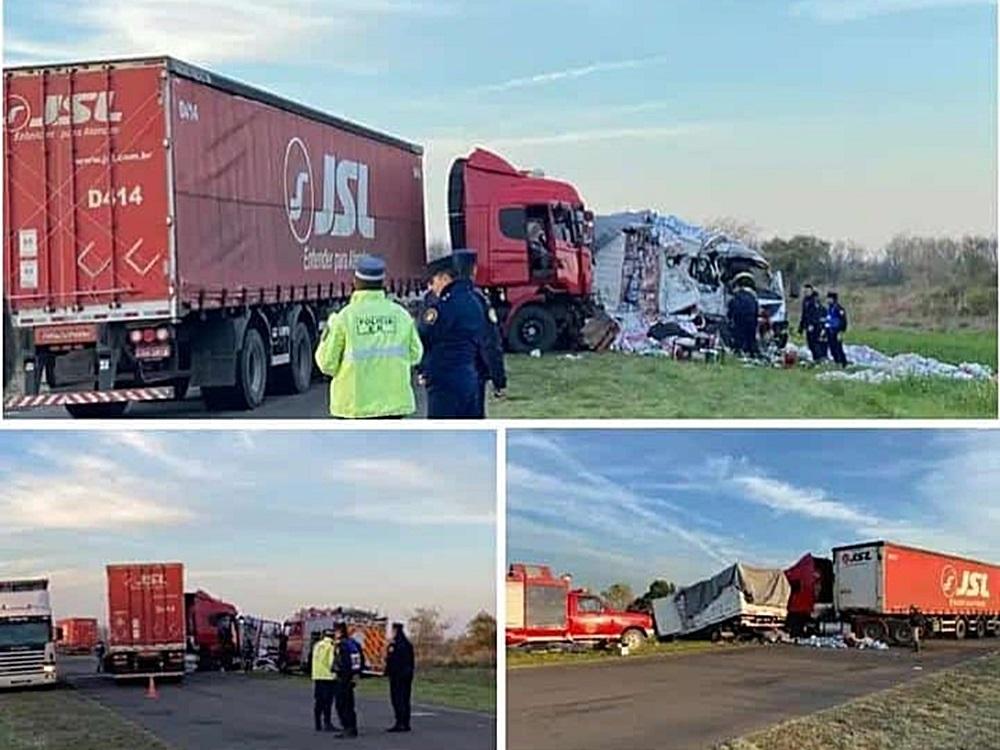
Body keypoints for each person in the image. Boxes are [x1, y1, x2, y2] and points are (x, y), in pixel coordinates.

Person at [314, 255, 423, 418]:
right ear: (382, 283)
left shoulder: (344, 318)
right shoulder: (402, 316)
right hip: (393, 407)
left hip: (355, 408)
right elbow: (415, 355)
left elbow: (327, 364)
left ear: (356, 283)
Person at [418, 255, 489, 419]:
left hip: (444, 380)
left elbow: (424, 336)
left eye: (434, 280)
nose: (433, 286)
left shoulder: (442, 307)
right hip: (469, 375)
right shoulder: (476, 301)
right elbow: (485, 341)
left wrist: (423, 368)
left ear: (444, 278)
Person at [452, 249, 507, 416]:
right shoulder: (478, 300)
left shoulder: (437, 300)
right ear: (474, 270)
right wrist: (499, 380)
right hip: (472, 374)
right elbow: (490, 344)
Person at [384, 622, 415, 733]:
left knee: (398, 699)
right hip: (407, 675)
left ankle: (400, 723)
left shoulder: (395, 645)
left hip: (397, 676)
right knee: (405, 699)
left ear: (395, 630)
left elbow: (391, 660)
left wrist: (386, 671)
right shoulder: (408, 644)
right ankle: (406, 723)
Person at [333, 624, 361, 738]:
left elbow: (342, 662)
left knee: (342, 704)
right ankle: (351, 727)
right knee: (348, 703)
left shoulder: (343, 645)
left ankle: (348, 727)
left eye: (336, 631)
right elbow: (357, 660)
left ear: (339, 632)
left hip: (344, 677)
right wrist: (356, 674)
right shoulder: (352, 643)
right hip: (348, 676)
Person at [727, 273, 760, 358]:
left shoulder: (737, 296)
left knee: (739, 337)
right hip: (751, 320)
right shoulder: (753, 297)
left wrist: (730, 317)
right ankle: (752, 352)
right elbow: (756, 311)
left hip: (740, 320)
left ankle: (739, 350)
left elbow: (731, 308)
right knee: (751, 338)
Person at [311, 630, 338, 732]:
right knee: (328, 702)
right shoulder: (331, 646)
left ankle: (317, 723)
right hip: (328, 677)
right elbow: (331, 662)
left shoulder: (317, 645)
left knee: (318, 701)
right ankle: (327, 723)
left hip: (317, 676)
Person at [798, 283, 826, 363]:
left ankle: (819, 358)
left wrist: (813, 324)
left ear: (811, 290)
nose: (806, 292)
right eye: (805, 291)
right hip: (808, 325)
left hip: (816, 325)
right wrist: (801, 328)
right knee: (810, 343)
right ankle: (815, 358)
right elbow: (804, 315)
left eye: (807, 291)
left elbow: (817, 313)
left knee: (815, 343)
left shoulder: (815, 300)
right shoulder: (805, 301)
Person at [825, 291, 849, 367]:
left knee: (838, 348)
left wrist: (841, 331)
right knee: (832, 349)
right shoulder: (829, 309)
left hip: (836, 331)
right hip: (830, 331)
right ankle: (837, 362)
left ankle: (843, 363)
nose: (828, 300)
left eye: (829, 299)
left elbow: (843, 321)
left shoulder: (839, 309)